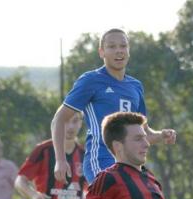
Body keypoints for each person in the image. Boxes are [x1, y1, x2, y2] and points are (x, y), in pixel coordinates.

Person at [51, 28, 177, 185]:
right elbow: (59, 119)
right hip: (101, 162)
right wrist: (60, 160)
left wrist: (161, 135)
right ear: (101, 52)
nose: (119, 51)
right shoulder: (91, 80)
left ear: (128, 51)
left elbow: (143, 133)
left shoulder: (135, 86)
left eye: (123, 46)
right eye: (112, 47)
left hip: (131, 165)